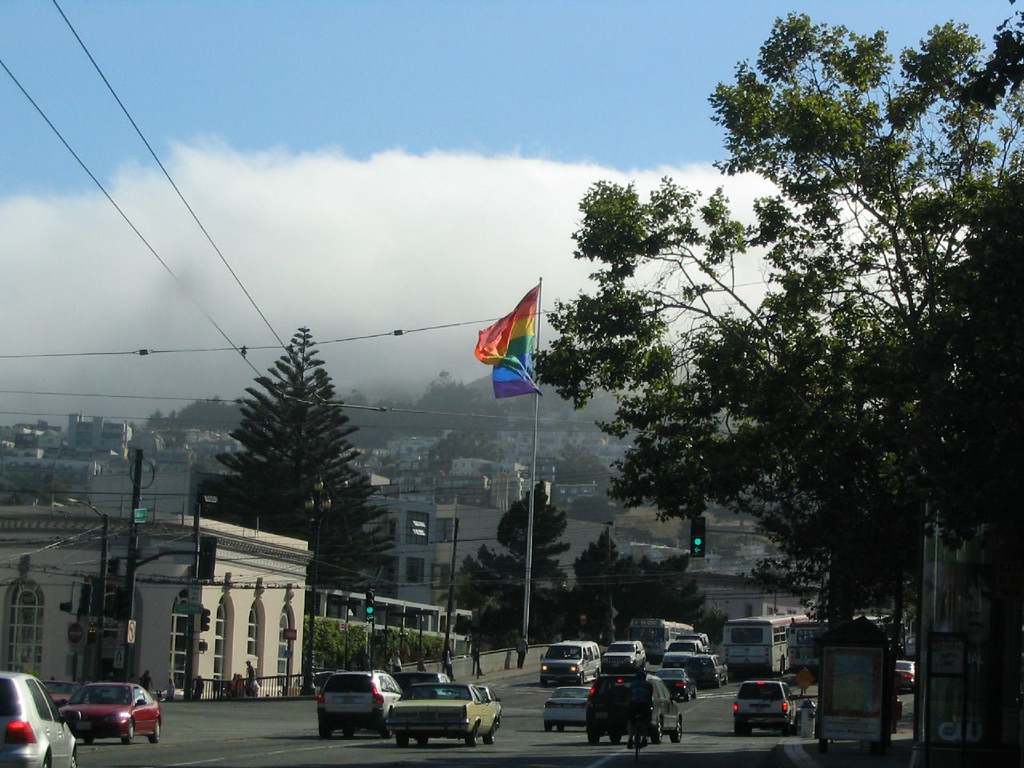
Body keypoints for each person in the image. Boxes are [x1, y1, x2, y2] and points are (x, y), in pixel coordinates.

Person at [627, 669, 653, 749]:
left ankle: (630, 739)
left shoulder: (632, 685)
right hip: (644, 705)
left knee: (631, 721)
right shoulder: (648, 685)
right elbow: (650, 696)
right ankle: (644, 738)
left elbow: (629, 696)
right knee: (645, 721)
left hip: (634, 705)